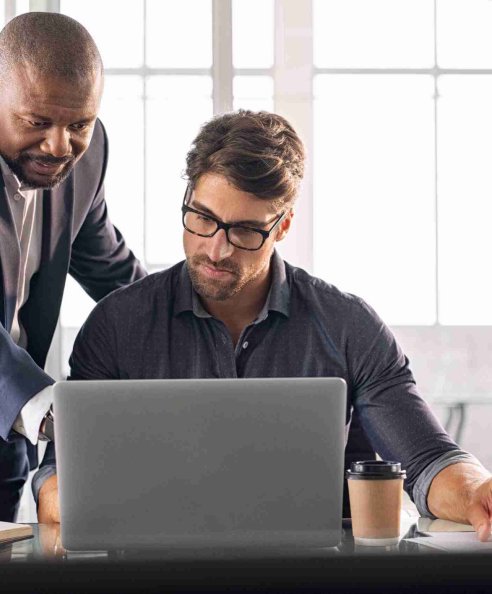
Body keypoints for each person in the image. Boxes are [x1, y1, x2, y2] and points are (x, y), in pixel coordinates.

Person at [36, 110, 492, 541]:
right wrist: (60, 496)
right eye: (202, 219)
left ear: (283, 226)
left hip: (316, 578)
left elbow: (428, 460)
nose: (216, 250)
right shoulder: (116, 325)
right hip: (157, 574)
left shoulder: (349, 326)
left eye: (245, 231)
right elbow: (59, 477)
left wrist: (476, 493)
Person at [0, 12, 146, 521]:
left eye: (78, 124)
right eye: (37, 122)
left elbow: (110, 267)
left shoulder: (90, 152)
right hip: (28, 410)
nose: (61, 146)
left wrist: (191, 319)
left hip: (6, 451)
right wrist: (51, 412)